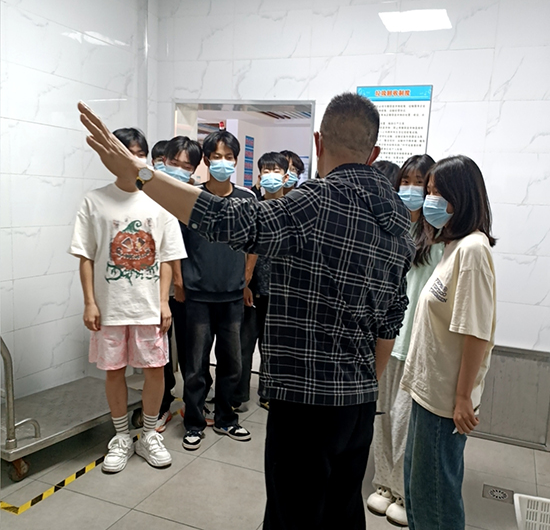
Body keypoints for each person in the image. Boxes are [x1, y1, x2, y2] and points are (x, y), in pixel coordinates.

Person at [78, 93, 415, 530]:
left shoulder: (316, 201)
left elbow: (230, 222)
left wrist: (142, 175)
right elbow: (391, 320)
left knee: (292, 516)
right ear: (374, 152)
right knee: (342, 512)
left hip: (305, 401)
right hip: (360, 402)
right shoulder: (399, 221)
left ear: (318, 142)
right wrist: (362, 388)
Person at [69, 127, 186, 473]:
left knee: (154, 370)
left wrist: (163, 302)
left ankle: (149, 433)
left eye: (138, 153)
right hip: (110, 307)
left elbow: (167, 257)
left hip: (148, 306)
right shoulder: (94, 200)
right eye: (124, 152)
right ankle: (121, 436)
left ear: (146, 158)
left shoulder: (160, 201)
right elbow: (85, 256)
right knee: (114, 371)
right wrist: (90, 302)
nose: (132, 159)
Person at [400, 155, 497, 530]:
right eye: (429, 191)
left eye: (438, 192)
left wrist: (462, 397)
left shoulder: (474, 250)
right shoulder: (453, 246)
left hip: (444, 403)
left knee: (436, 502)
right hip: (428, 393)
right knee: (418, 494)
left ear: (462, 197)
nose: (429, 200)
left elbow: (476, 331)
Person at [367, 154, 444, 527]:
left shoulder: (439, 237)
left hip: (416, 342)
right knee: (381, 416)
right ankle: (382, 483)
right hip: (386, 339)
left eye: (420, 183)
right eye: (406, 181)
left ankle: (401, 490)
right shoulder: (392, 227)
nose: (412, 190)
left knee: (404, 422)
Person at [179, 129, 254, 451]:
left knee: (232, 362)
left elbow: (253, 243)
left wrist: (246, 278)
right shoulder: (190, 197)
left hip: (232, 296)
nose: (223, 162)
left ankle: (226, 418)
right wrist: (179, 282)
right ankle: (194, 423)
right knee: (195, 365)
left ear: (236, 161)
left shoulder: (247, 199)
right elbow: (177, 244)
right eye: (216, 156)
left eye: (229, 157)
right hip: (197, 294)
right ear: (207, 160)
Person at [233, 152, 289, 411]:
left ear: (286, 177)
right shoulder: (252, 208)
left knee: (273, 347)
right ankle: (239, 395)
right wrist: (245, 284)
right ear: (259, 176)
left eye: (276, 171)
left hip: (281, 291)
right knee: (244, 345)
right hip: (253, 290)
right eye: (266, 171)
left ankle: (268, 392)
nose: (270, 176)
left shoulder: (293, 211)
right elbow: (243, 248)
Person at [156, 135, 204, 432]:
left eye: (186, 166)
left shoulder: (197, 199)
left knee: (190, 350)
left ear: (195, 169)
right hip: (157, 288)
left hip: (190, 288)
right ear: (163, 161)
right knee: (158, 351)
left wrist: (183, 281)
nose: (178, 169)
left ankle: (193, 404)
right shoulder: (150, 194)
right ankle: (161, 404)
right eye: (174, 162)